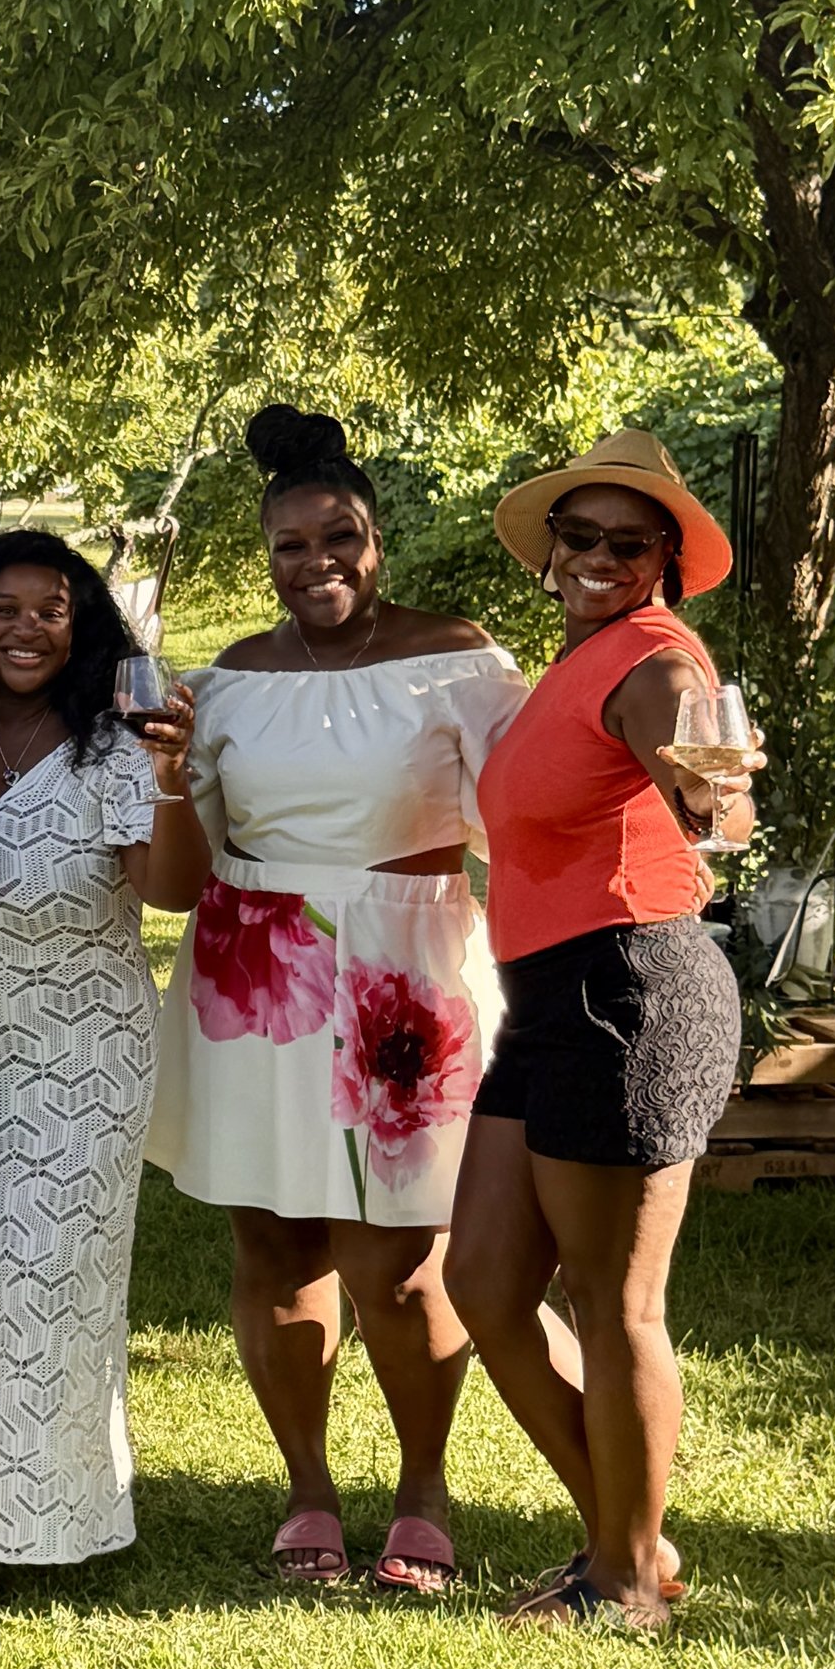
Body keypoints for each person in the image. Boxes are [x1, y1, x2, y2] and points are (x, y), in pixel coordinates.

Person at [145, 407, 527, 1598]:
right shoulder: (227, 684)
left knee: (401, 1258)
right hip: (252, 967)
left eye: (340, 538)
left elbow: (519, 827)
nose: (318, 564)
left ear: (378, 542)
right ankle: (307, 1488)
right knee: (272, 1244)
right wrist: (162, 775)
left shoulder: (458, 661)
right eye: (290, 546)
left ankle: (423, 1488)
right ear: (263, 556)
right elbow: (186, 857)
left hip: (402, 970)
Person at [444, 431, 750, 1632]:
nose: (600, 558)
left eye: (631, 544)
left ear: (663, 561)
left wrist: (708, 785)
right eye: (581, 536)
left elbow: (692, 753)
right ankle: (632, 1539)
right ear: (548, 550)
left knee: (614, 1305)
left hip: (630, 991)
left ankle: (622, 1584)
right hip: (548, 1002)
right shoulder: (572, 664)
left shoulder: (653, 657)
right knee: (480, 1276)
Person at [0, 533, 203, 1612]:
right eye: (4, 609)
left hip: (84, 1053)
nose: (28, 629)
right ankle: (62, 1495)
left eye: (54, 610)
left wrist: (172, 780)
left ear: (86, 629)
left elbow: (170, 892)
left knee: (51, 1280)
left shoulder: (113, 746)